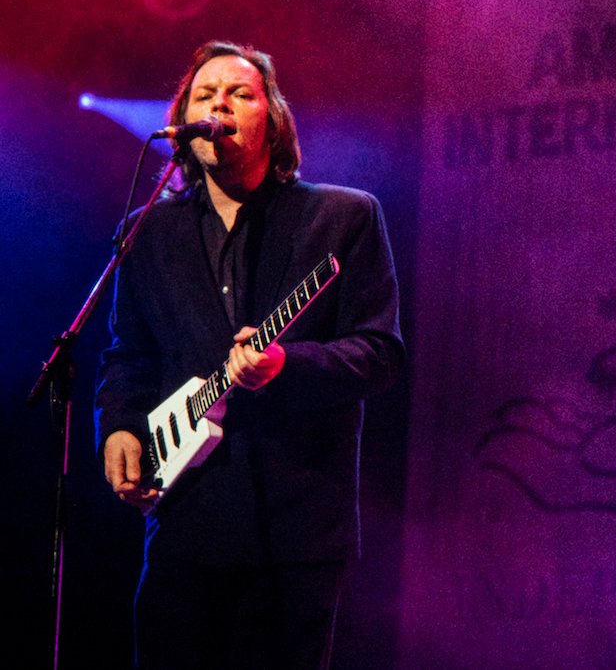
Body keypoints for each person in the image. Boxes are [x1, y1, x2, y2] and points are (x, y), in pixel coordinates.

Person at [95, 41, 404, 669]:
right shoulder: (148, 229)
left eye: (239, 93)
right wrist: (120, 428)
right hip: (186, 521)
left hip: (296, 530)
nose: (219, 105)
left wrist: (289, 366)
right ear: (184, 123)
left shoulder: (343, 217)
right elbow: (128, 352)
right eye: (204, 96)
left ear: (274, 118)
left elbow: (379, 352)